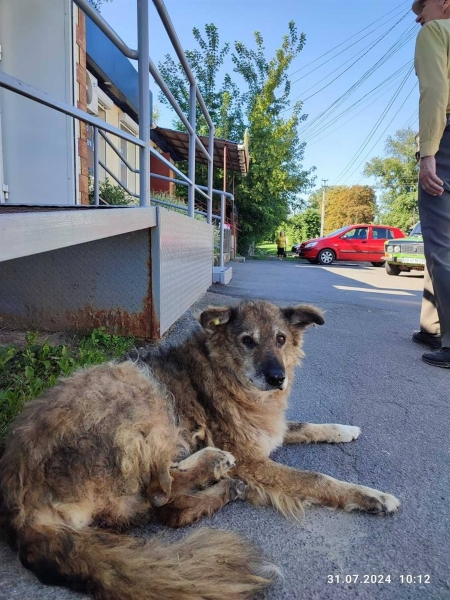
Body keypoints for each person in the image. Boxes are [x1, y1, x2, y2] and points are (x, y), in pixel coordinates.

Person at [411, 0, 450, 368]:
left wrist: (428, 154)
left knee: (440, 242)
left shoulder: (436, 31)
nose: (419, 17)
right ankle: (432, 326)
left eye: (421, 7)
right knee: (439, 242)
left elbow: (436, 92)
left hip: (447, 138)